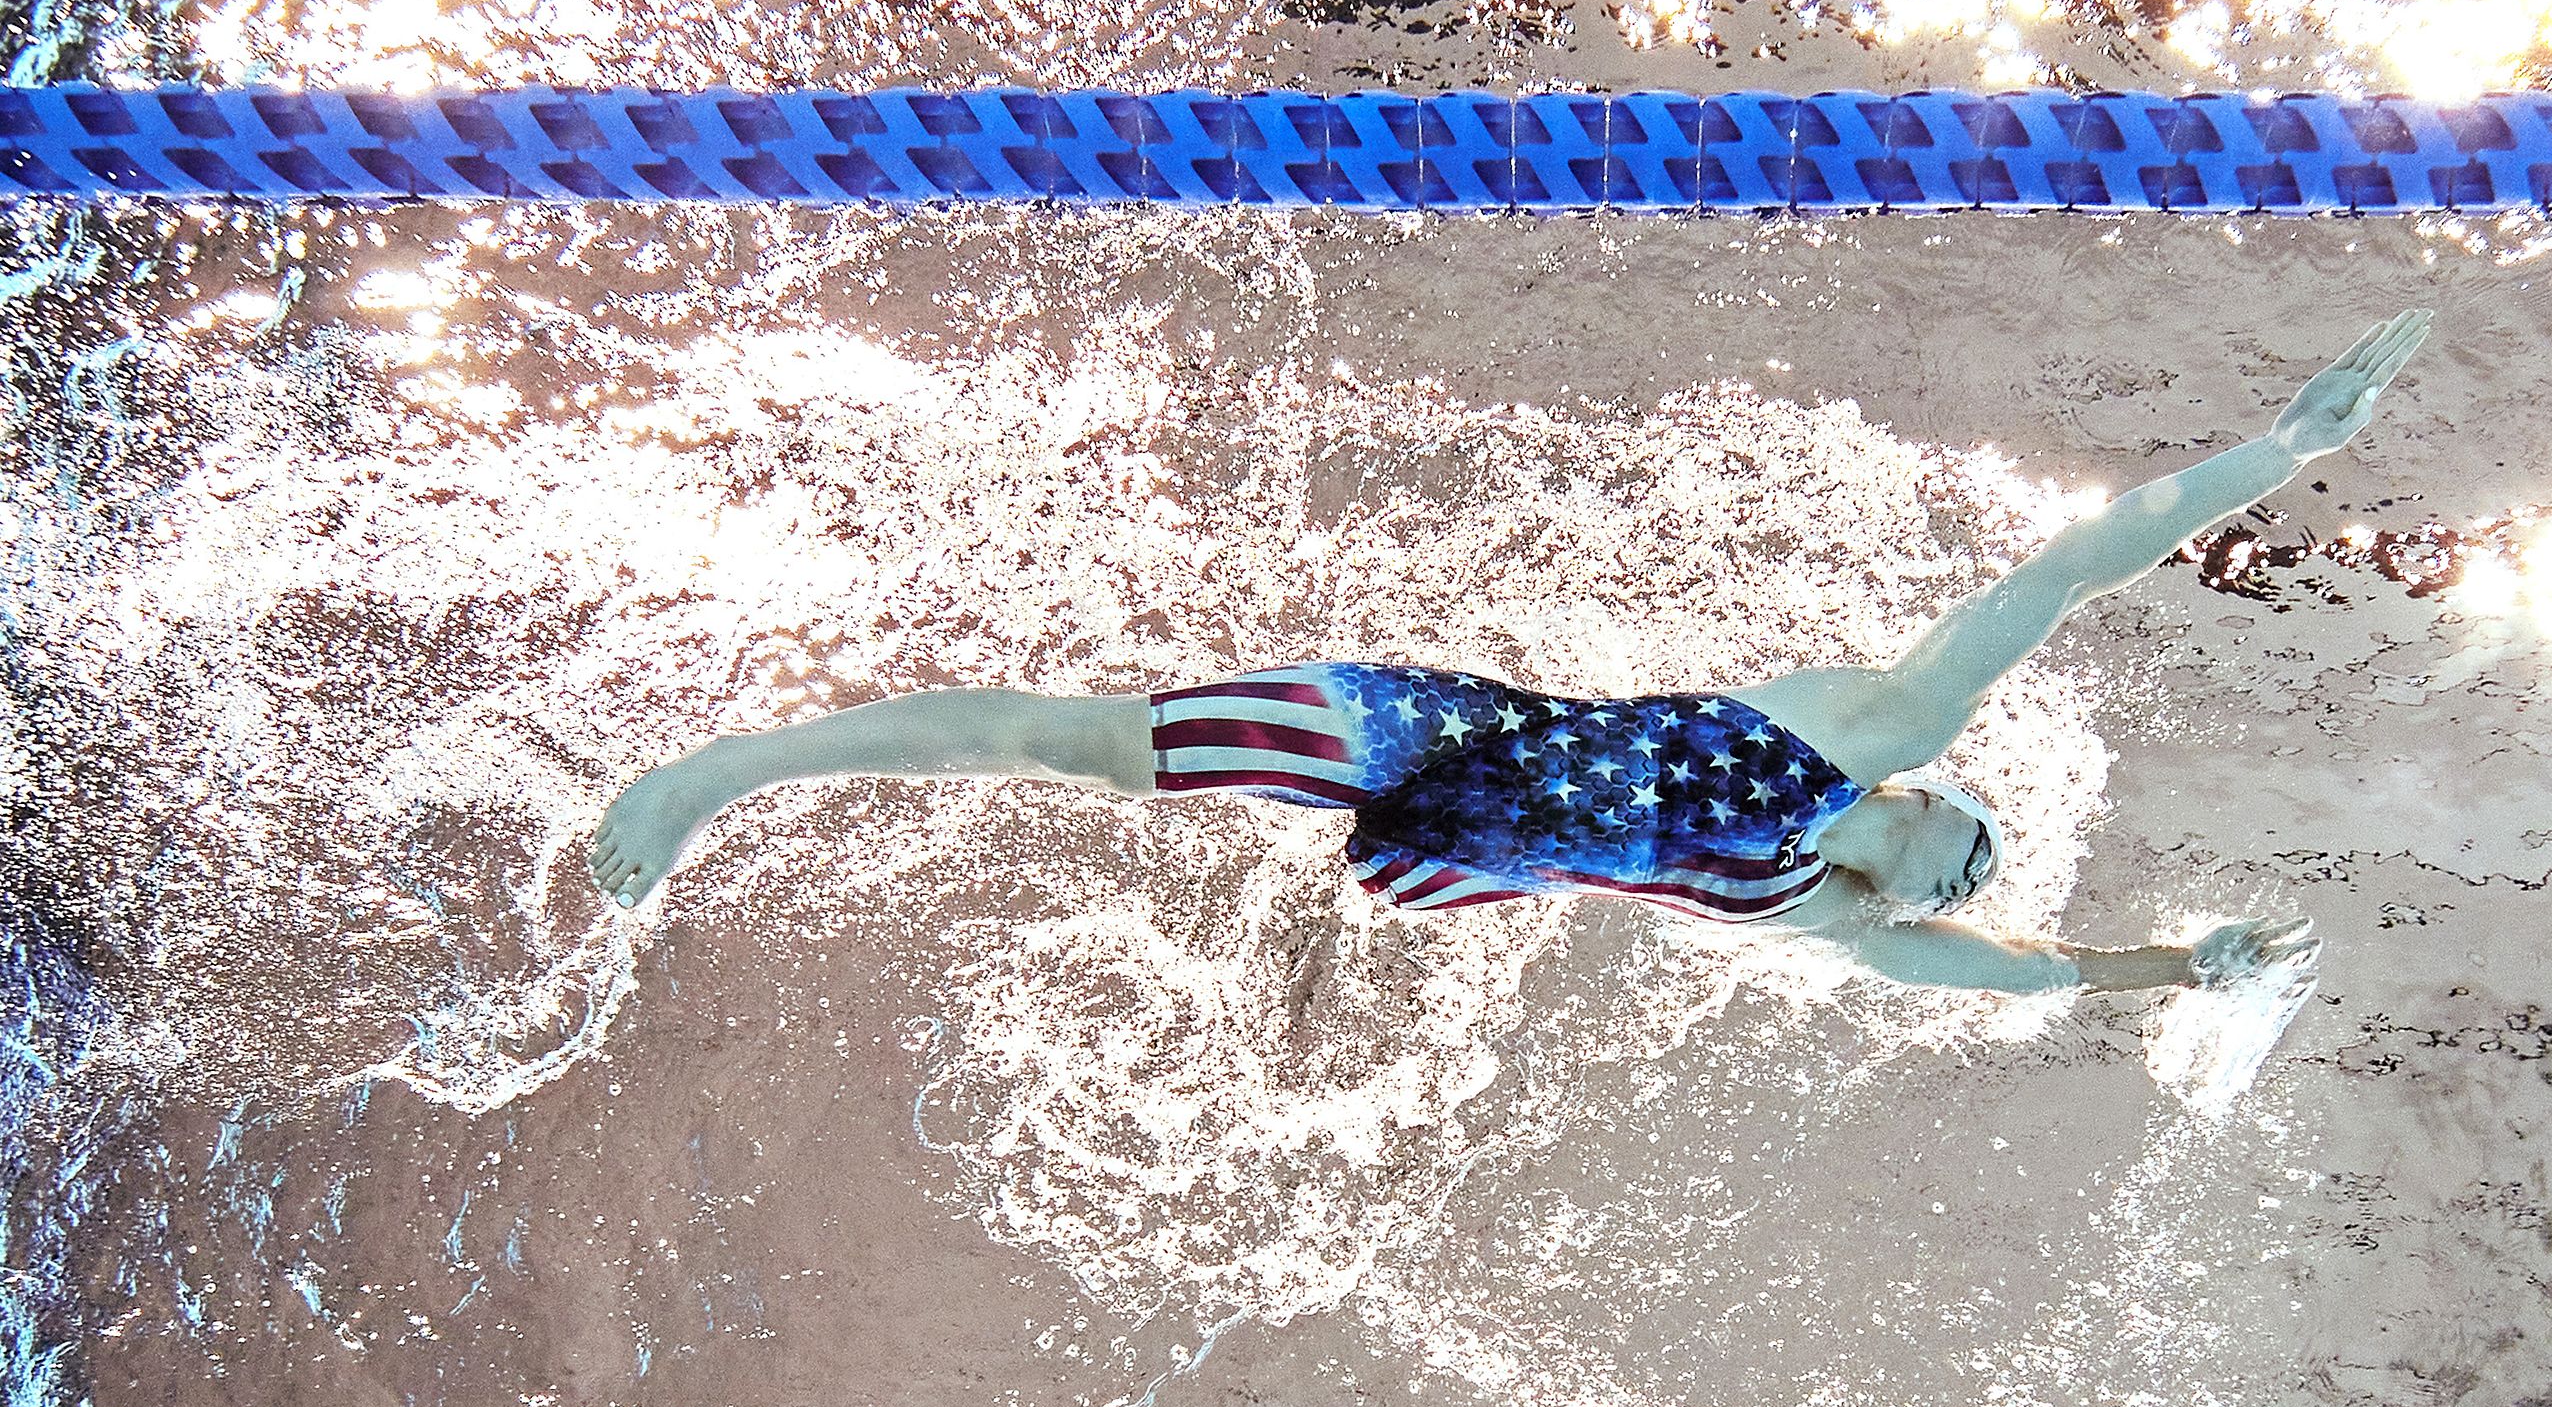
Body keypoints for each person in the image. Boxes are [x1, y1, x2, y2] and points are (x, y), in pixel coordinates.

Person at [592, 311, 2432, 995]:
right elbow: (2066, 575)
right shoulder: (1866, 731)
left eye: (1969, 867)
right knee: (1083, 752)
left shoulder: (1843, 920)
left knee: (1201, 818)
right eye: (1969, 831)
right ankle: (724, 772)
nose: (1972, 853)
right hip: (1430, 739)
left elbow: (2026, 980)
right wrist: (2287, 452)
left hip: (1457, 859)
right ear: (1923, 792)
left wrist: (2178, 973)